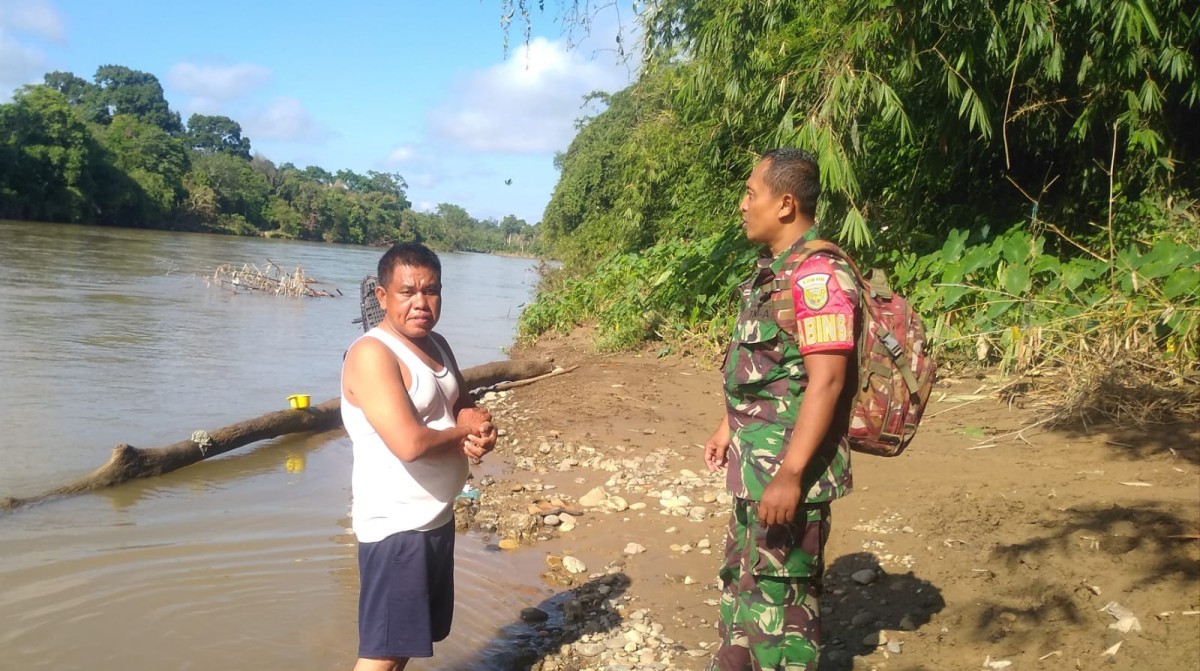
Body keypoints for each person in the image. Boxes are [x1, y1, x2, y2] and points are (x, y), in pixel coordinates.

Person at [704, 148, 859, 670]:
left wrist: (791, 474)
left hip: (786, 478)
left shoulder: (818, 276)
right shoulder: (775, 271)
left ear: (786, 203)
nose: (743, 205)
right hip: (755, 470)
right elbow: (769, 368)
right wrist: (728, 426)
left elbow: (828, 379)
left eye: (752, 194)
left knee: (782, 610)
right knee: (743, 588)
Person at [340, 242, 498, 671]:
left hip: (434, 518)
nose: (420, 303)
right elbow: (408, 443)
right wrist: (462, 430)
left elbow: (460, 404)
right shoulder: (372, 355)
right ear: (381, 296)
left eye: (430, 291)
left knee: (405, 643)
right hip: (396, 529)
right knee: (381, 657)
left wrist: (479, 428)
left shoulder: (437, 344)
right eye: (407, 292)